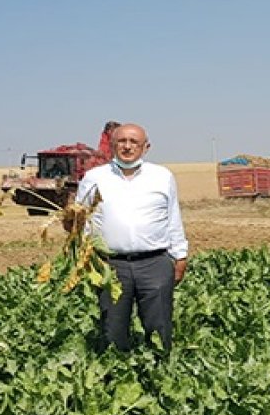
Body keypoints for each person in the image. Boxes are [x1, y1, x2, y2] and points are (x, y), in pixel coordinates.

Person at [74, 123, 188, 352]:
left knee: (159, 327)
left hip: (155, 262)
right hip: (110, 264)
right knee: (113, 327)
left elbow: (172, 217)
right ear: (113, 145)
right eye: (121, 141)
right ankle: (116, 375)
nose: (127, 147)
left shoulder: (162, 176)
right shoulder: (94, 178)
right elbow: (81, 222)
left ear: (146, 147)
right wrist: (84, 254)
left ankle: (159, 373)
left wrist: (180, 255)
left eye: (133, 142)